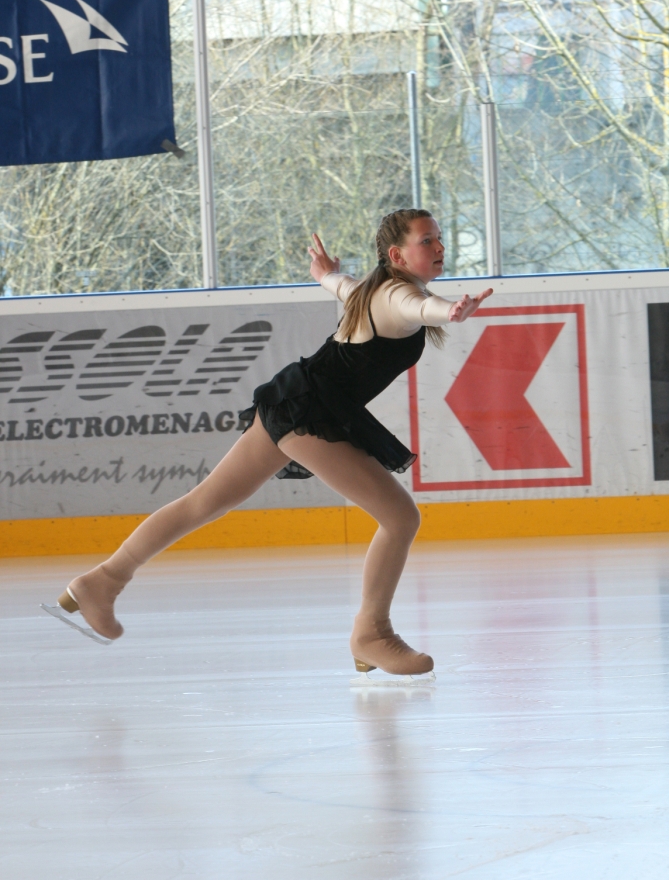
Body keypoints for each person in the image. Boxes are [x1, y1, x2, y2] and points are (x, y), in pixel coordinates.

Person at [48, 209, 492, 675]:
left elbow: (343, 286)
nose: (440, 247)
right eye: (427, 240)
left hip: (292, 399)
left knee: (205, 502)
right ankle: (371, 633)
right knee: (400, 517)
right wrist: (450, 311)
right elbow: (418, 309)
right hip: (309, 413)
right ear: (397, 255)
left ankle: (102, 580)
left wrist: (325, 274)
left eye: (438, 238)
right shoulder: (398, 294)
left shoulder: (372, 289)